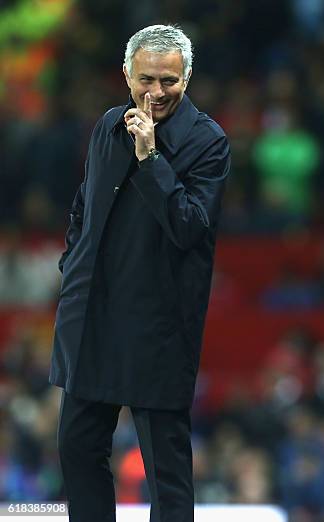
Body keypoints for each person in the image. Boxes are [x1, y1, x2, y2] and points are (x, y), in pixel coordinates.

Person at [49, 25, 230, 522]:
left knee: (166, 474)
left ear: (187, 77)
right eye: (146, 79)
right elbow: (83, 207)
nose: (156, 92)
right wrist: (74, 266)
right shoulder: (109, 125)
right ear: (126, 74)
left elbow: (190, 227)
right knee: (77, 448)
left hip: (158, 326)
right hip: (95, 316)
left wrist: (151, 157)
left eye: (169, 81)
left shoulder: (207, 141)